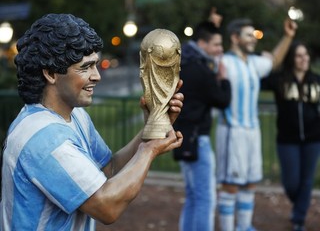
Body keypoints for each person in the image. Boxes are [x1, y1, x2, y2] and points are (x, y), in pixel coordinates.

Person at [0, 13, 184, 230]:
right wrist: (148, 151)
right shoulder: (43, 139)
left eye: (95, 65)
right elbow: (106, 206)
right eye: (85, 67)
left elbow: (108, 169)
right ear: (50, 73)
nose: (97, 76)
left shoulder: (73, 115)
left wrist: (150, 128)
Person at [215, 17, 298, 231]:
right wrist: (212, 25)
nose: (253, 39)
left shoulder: (253, 63)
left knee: (251, 182)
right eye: (248, 35)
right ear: (234, 38)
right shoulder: (223, 61)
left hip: (253, 131)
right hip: (232, 131)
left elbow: (275, 61)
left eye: (254, 35)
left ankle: (243, 226)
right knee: (230, 185)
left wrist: (288, 36)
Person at [173, 20, 231, 231]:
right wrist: (223, 79)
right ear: (203, 43)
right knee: (206, 198)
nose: (220, 49)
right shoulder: (200, 69)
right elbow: (223, 100)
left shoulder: (183, 63)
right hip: (199, 140)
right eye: (216, 44)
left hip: (182, 137)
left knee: (192, 196)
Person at [261, 41, 320, 231]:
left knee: (307, 180)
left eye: (306, 55)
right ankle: (301, 204)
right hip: (287, 140)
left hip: (313, 139)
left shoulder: (316, 80)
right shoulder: (280, 80)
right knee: (292, 183)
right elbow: (260, 78)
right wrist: (270, 61)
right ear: (291, 59)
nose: (304, 59)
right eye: (299, 55)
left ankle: (298, 220)